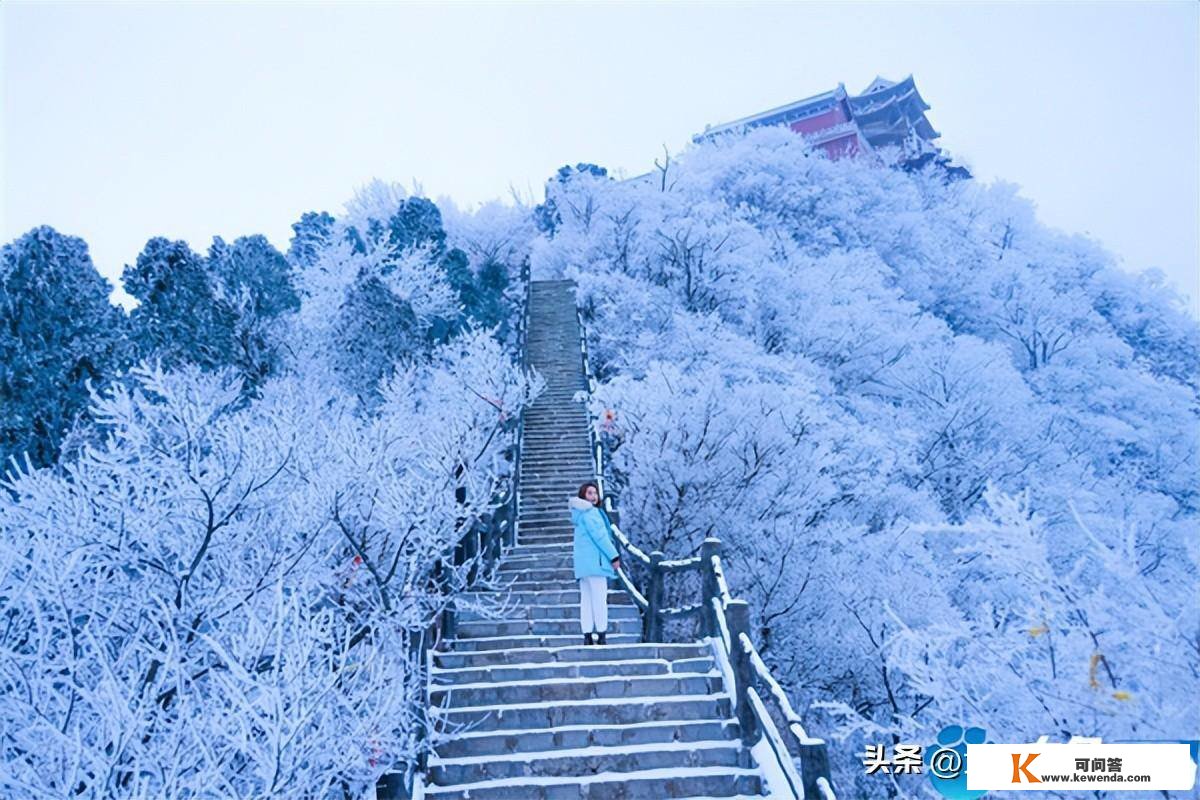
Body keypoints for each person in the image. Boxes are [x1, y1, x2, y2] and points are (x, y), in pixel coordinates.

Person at [568, 482, 621, 645]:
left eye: (595, 493)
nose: (593, 496)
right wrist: (614, 556)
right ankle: (602, 634)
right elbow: (600, 537)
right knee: (599, 600)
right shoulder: (591, 513)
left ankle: (588, 635)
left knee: (586, 600)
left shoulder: (580, 514)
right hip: (596, 564)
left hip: (584, 566)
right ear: (583, 496)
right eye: (589, 493)